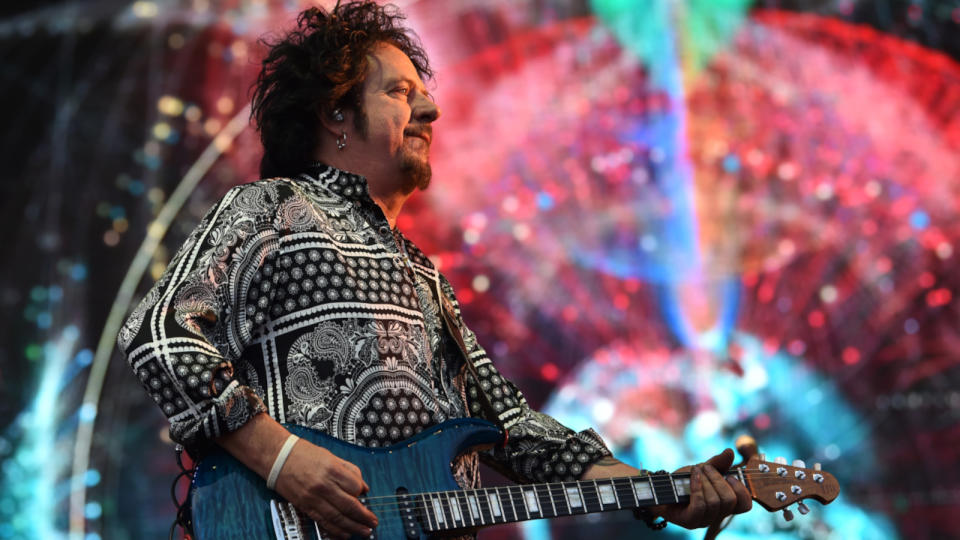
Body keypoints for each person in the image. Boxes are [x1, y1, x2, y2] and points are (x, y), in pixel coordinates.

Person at [118, 1, 751, 538]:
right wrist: (282, 459)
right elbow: (159, 335)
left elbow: (517, 432)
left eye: (424, 95)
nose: (431, 113)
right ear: (335, 114)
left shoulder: (423, 277)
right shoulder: (272, 208)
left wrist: (657, 489)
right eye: (400, 93)